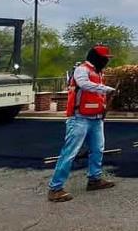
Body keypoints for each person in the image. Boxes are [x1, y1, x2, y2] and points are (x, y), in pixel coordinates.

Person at [46, 45, 117, 202]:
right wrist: (106, 89)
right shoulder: (81, 70)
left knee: (97, 149)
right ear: (97, 58)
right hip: (79, 118)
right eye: (105, 58)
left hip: (96, 118)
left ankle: (94, 179)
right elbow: (84, 84)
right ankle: (55, 188)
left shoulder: (98, 72)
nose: (106, 61)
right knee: (70, 152)